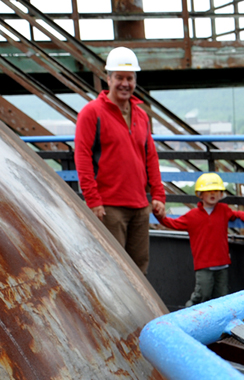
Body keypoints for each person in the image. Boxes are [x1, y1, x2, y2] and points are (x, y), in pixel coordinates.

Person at [74, 46, 166, 275]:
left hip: (140, 205)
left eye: (130, 78)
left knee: (139, 269)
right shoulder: (91, 113)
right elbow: (82, 155)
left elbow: (150, 157)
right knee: (111, 270)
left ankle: (141, 313)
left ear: (135, 80)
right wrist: (93, 199)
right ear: (108, 79)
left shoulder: (141, 115)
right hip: (109, 208)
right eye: (119, 78)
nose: (125, 83)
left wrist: (158, 195)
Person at [157, 173, 244, 306]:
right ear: (200, 194)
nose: (212, 194)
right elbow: (173, 223)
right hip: (204, 265)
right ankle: (188, 315)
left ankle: (217, 324)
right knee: (202, 294)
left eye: (216, 191)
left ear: (221, 194)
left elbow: (233, 214)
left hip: (222, 263)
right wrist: (160, 217)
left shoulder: (223, 210)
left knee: (222, 297)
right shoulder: (192, 216)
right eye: (208, 191)